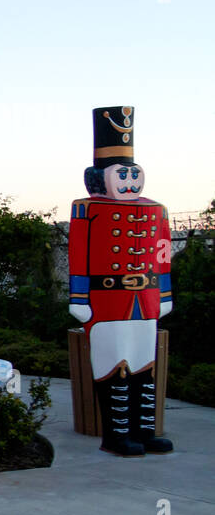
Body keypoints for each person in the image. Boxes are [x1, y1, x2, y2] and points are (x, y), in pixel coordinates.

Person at [68, 105, 173, 456]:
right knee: (114, 366)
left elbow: (162, 251)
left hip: (145, 300)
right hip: (107, 300)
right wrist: (79, 298)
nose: (129, 182)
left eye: (133, 174)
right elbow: (78, 254)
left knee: (144, 365)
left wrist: (166, 292)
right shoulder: (88, 208)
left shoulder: (155, 209)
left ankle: (145, 431)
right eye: (121, 175)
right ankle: (116, 435)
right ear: (100, 176)